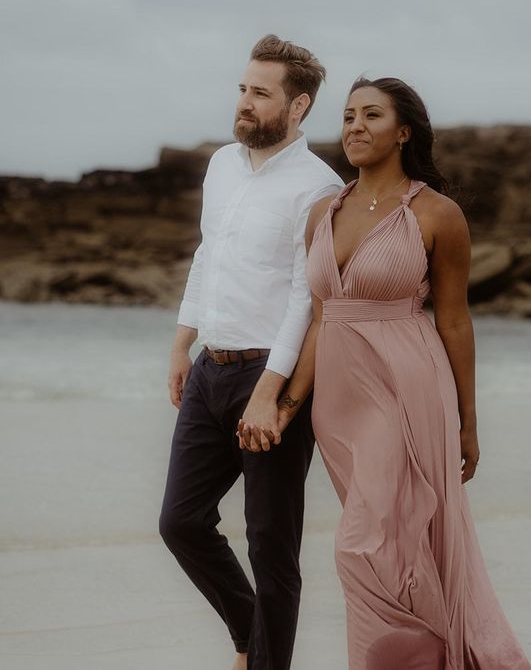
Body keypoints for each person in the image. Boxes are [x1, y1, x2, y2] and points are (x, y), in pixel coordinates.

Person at [239, 77, 531, 669]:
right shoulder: (323, 213)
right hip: (338, 406)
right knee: (394, 546)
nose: (355, 127)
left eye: (372, 115)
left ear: (404, 132)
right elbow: (323, 321)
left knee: (360, 546)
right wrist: (288, 405)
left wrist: (468, 423)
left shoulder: (437, 214)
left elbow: (453, 321)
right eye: (348, 117)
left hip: (405, 389)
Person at [158, 35, 343, 670]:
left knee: (271, 547)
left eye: (261, 94)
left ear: (299, 106)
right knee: (180, 523)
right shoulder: (221, 165)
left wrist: (272, 391)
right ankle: (249, 632)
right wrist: (185, 340)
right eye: (243, 88)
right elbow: (210, 254)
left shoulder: (320, 188)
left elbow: (306, 298)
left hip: (274, 378)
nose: (245, 103)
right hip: (211, 369)